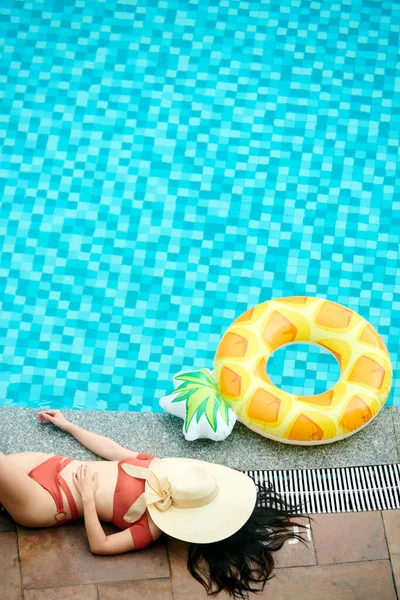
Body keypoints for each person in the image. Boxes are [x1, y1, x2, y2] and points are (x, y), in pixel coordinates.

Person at [1, 409, 311, 599]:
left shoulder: (152, 527)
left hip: (49, 502)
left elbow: (100, 545)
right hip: (55, 464)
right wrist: (69, 426)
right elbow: (111, 449)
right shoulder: (156, 466)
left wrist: (87, 498)